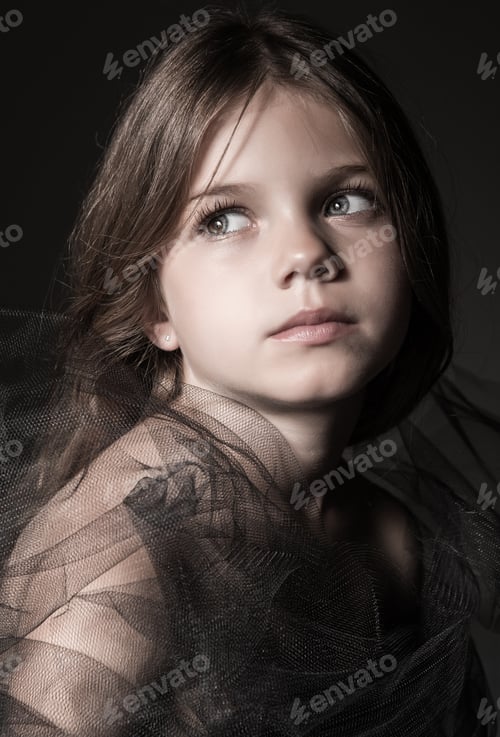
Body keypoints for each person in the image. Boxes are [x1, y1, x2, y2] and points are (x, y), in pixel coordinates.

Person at [0, 3, 499, 735]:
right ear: (151, 304)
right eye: (223, 218)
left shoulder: (386, 529)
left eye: (346, 200)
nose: (306, 253)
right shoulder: (131, 538)